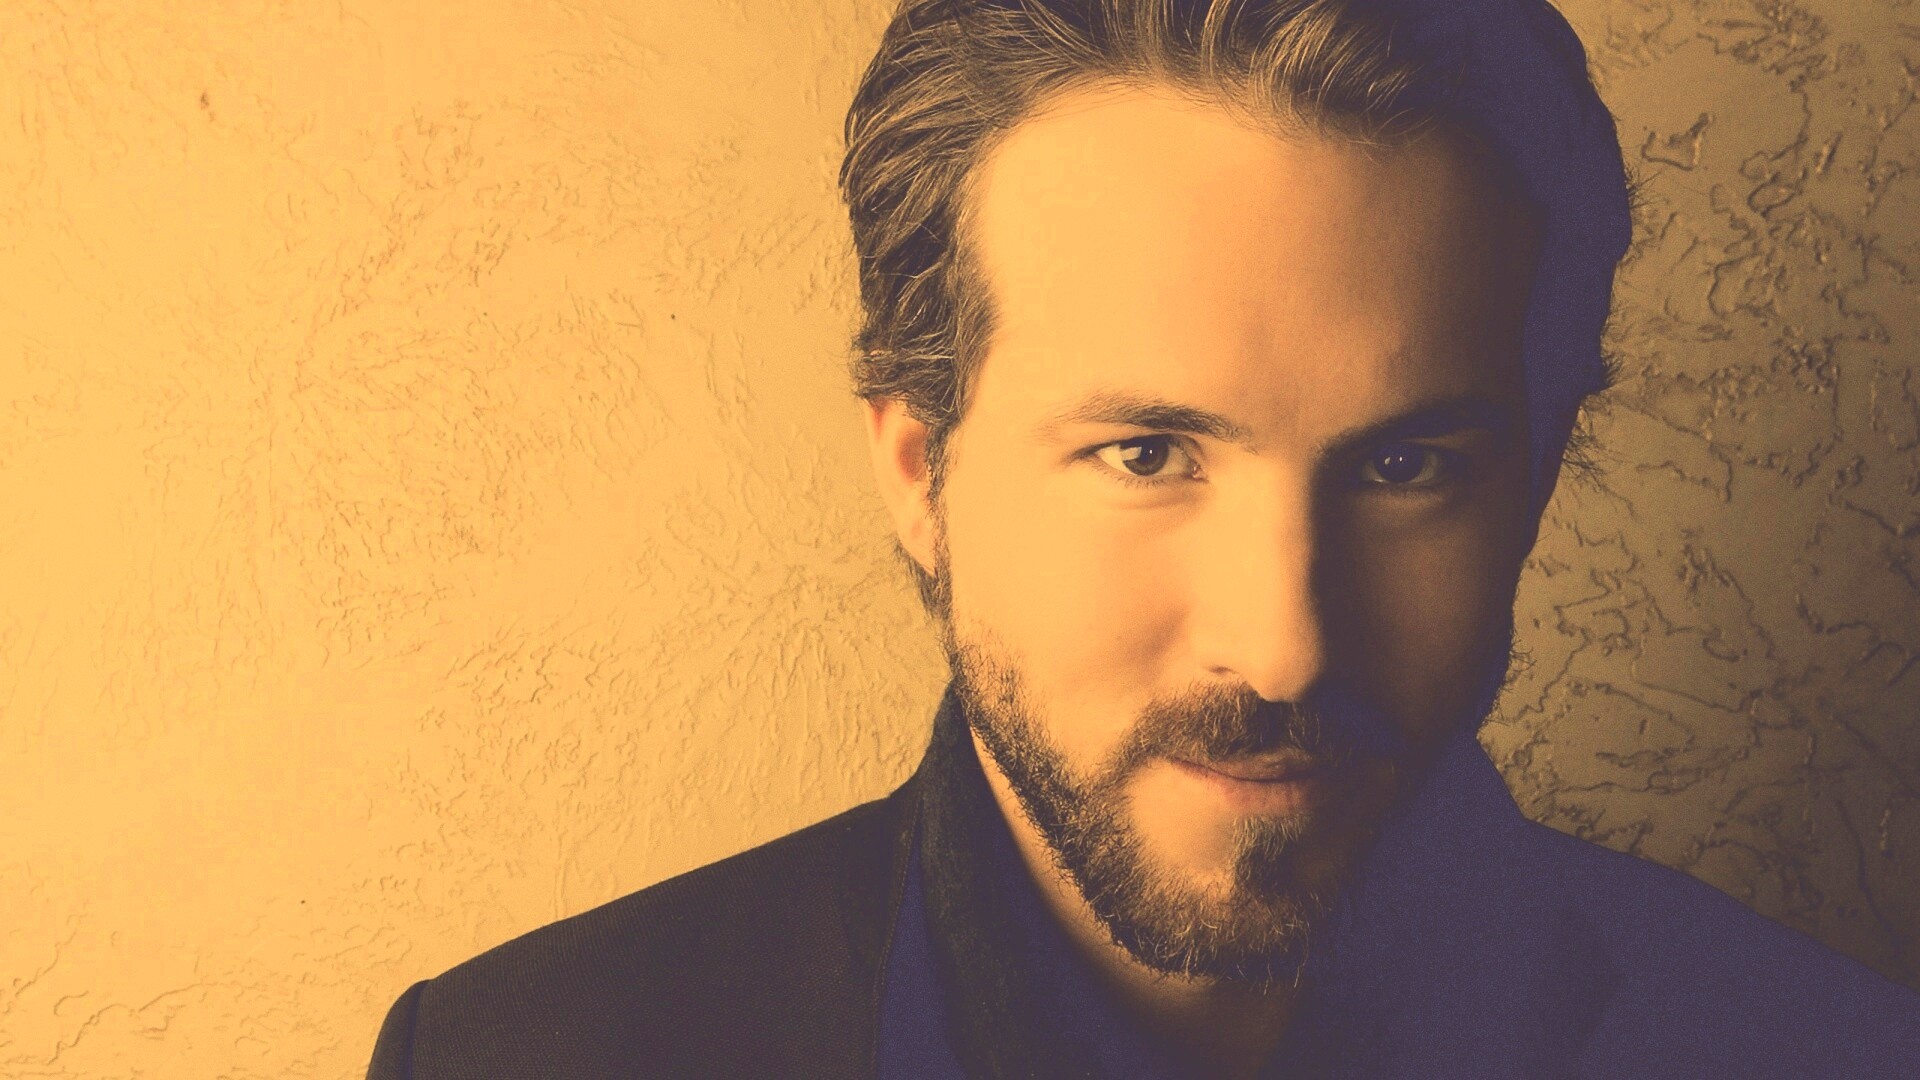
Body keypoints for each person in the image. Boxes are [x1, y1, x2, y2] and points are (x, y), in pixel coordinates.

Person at [364, 1, 1920, 1076]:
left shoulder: (1828, 1055)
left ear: (1539, 473)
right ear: (919, 471)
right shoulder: (520, 1058)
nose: (1284, 646)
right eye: (1148, 454)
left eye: (1406, 466)